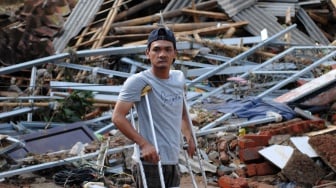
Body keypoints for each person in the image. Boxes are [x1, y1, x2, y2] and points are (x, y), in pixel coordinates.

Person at [112, 27, 196, 188]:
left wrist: (189, 136)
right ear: (147, 53)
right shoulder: (138, 81)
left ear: (174, 54)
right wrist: (144, 144)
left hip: (172, 158)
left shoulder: (179, 78)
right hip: (150, 161)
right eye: (156, 49)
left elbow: (182, 113)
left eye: (167, 49)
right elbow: (117, 117)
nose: (162, 54)